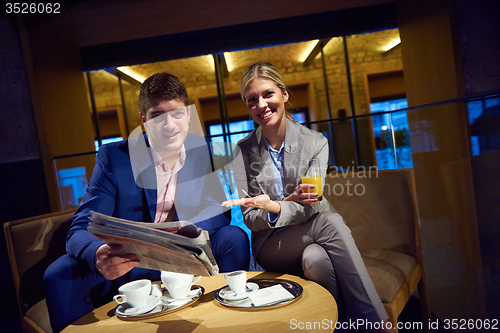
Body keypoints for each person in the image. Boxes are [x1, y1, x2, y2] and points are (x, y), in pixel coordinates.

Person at [44, 72, 250, 332]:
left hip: (181, 253)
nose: (169, 125)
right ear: (144, 120)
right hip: (130, 260)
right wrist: (98, 255)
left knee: (233, 237)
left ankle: (233, 322)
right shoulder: (114, 157)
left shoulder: (201, 151)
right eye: (157, 116)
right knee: (59, 274)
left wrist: (186, 228)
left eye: (176, 114)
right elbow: (79, 229)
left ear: (188, 115)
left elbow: (220, 211)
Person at [222, 62, 395, 332]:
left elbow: (310, 204)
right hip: (271, 245)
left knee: (316, 259)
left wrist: (277, 205)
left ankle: (335, 327)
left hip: (312, 233)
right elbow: (252, 219)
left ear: (284, 95)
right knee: (331, 221)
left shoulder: (315, 142)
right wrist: (284, 204)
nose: (261, 105)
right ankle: (376, 325)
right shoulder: (242, 151)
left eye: (268, 94)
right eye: (252, 100)